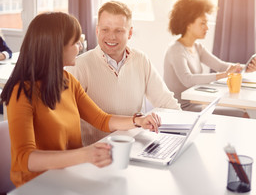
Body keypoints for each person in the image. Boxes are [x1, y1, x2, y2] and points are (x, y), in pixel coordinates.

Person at [0, 12, 161, 187]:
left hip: (69, 175)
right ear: (57, 47)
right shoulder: (22, 93)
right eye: (76, 42)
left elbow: (101, 119)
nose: (80, 47)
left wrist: (138, 121)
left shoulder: (67, 81)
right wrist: (85, 154)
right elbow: (26, 159)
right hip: (38, 185)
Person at [66, 1, 180, 146]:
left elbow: (166, 102)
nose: (111, 37)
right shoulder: (79, 66)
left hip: (135, 147)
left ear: (130, 33)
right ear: (97, 31)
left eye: (119, 31)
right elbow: (69, 120)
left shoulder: (141, 60)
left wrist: (188, 124)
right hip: (96, 152)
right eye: (105, 29)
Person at [164, 0, 256, 116]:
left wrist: (246, 67)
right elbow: (188, 79)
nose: (207, 28)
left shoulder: (197, 47)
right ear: (188, 24)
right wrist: (223, 75)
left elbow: (220, 66)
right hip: (181, 109)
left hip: (196, 102)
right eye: (202, 23)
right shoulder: (175, 50)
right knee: (242, 114)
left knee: (241, 111)